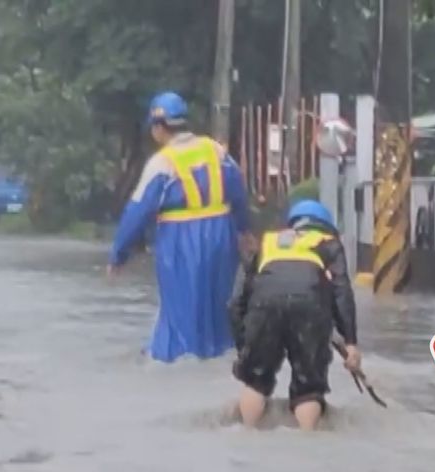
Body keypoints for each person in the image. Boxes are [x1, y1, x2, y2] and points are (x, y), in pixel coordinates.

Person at [108, 91, 254, 363]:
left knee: (180, 314)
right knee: (216, 311)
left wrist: (119, 254)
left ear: (159, 127)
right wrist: (245, 230)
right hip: (222, 235)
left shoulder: (162, 162)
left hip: (181, 240)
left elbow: (138, 211)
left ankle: (171, 360)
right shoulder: (216, 150)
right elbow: (238, 191)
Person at [228, 199, 361, 431]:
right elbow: (342, 292)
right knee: (308, 388)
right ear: (327, 227)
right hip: (310, 307)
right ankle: (306, 441)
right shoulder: (329, 244)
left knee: (256, 382)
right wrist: (350, 342)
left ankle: (246, 435)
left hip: (264, 307)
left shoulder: (267, 243)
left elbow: (235, 302)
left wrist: (245, 346)